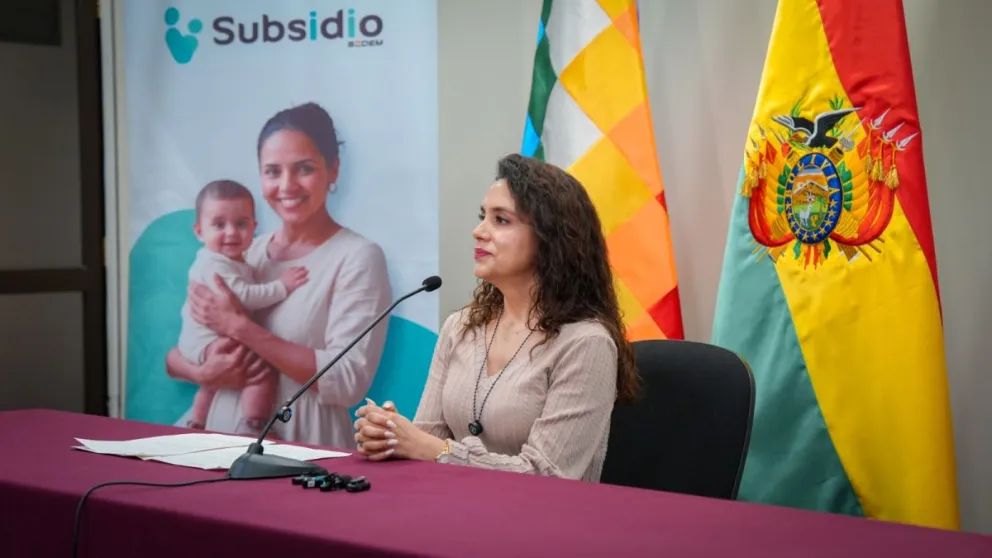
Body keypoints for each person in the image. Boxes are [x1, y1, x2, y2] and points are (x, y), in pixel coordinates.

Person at [353, 153, 638, 482]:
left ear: (550, 239)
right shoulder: (460, 327)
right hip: (452, 511)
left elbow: (547, 476)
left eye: (501, 220)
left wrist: (437, 451)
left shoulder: (585, 343)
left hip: (542, 526)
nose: (478, 231)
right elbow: (425, 437)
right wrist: (390, 436)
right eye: (482, 217)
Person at [165, 102, 392, 448]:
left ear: (333, 170)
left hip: (304, 444)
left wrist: (239, 328)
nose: (286, 185)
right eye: (272, 171)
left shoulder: (357, 258)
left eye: (304, 169)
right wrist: (202, 373)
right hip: (218, 441)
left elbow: (347, 381)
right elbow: (177, 354)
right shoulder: (243, 253)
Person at [177, 179, 309, 436]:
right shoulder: (216, 265)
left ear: (254, 227)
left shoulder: (233, 261)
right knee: (259, 370)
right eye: (219, 225)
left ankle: (198, 419)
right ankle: (253, 424)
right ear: (199, 232)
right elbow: (245, 297)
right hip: (206, 339)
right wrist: (282, 286)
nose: (231, 233)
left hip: (203, 339)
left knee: (216, 378)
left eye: (241, 224)